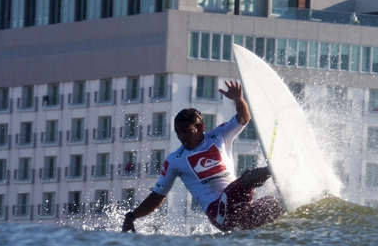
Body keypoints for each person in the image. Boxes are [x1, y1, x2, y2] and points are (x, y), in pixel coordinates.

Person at [121, 80, 285, 233]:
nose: (183, 136)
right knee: (248, 178)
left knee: (282, 204)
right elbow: (157, 196)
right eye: (179, 132)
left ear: (200, 127)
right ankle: (283, 169)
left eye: (187, 131)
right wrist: (132, 216)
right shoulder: (175, 159)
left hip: (243, 212)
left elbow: (244, 119)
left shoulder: (219, 136)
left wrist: (239, 100)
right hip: (219, 214)